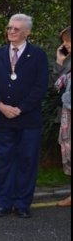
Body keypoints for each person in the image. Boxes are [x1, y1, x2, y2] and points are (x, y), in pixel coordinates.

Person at [0, 14, 48, 218]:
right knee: (4, 161)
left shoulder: (38, 55)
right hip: (3, 118)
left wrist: (20, 109)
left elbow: (40, 87)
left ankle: (22, 203)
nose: (11, 32)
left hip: (28, 120)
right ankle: (4, 202)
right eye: (9, 28)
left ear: (27, 32)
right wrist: (1, 105)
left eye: (16, 29)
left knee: (27, 161)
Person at [54, 26, 71, 207]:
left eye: (66, 42)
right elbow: (56, 84)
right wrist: (60, 61)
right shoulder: (68, 62)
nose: (65, 45)